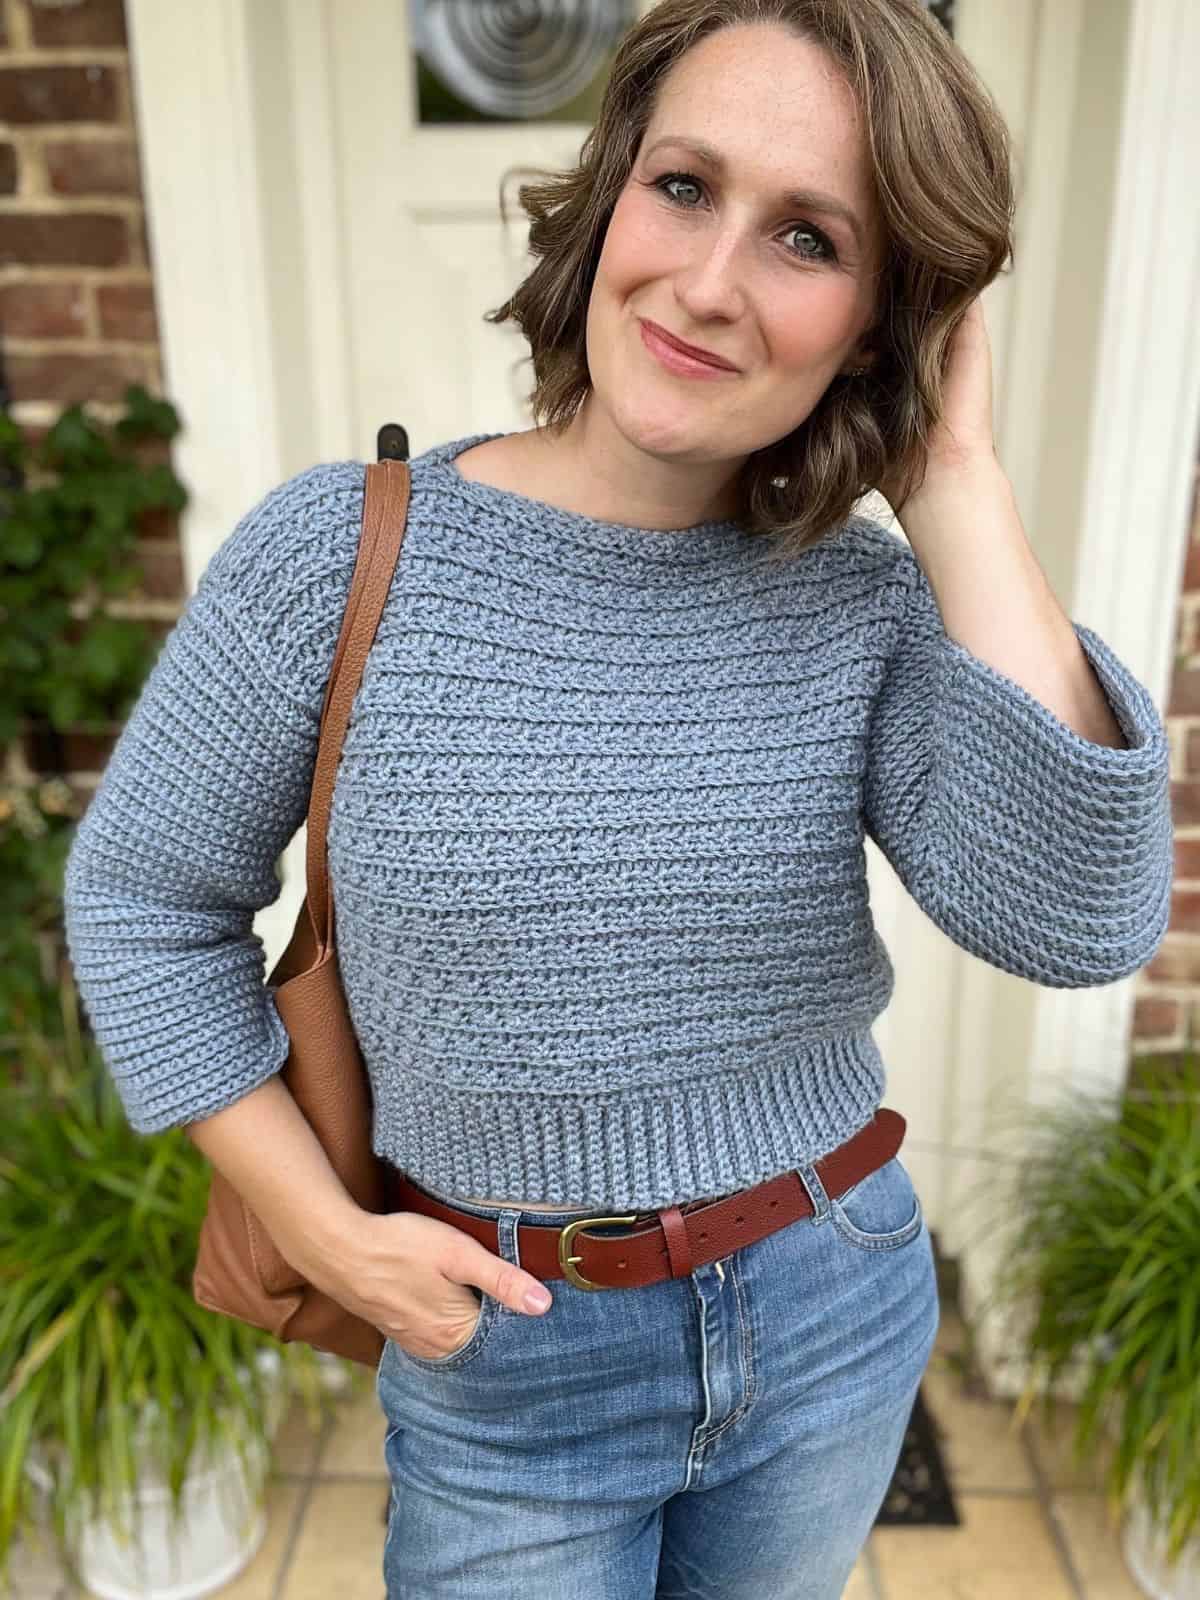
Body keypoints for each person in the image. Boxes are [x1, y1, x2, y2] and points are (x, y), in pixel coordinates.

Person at [62, 0, 1173, 1595]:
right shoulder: (337, 554)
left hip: (827, 1310)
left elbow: (1081, 923)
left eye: (810, 239)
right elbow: (143, 898)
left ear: (882, 321)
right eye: (684, 187)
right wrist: (322, 1232)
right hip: (504, 1349)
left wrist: (957, 485)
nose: (711, 284)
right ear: (607, 198)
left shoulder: (856, 604)